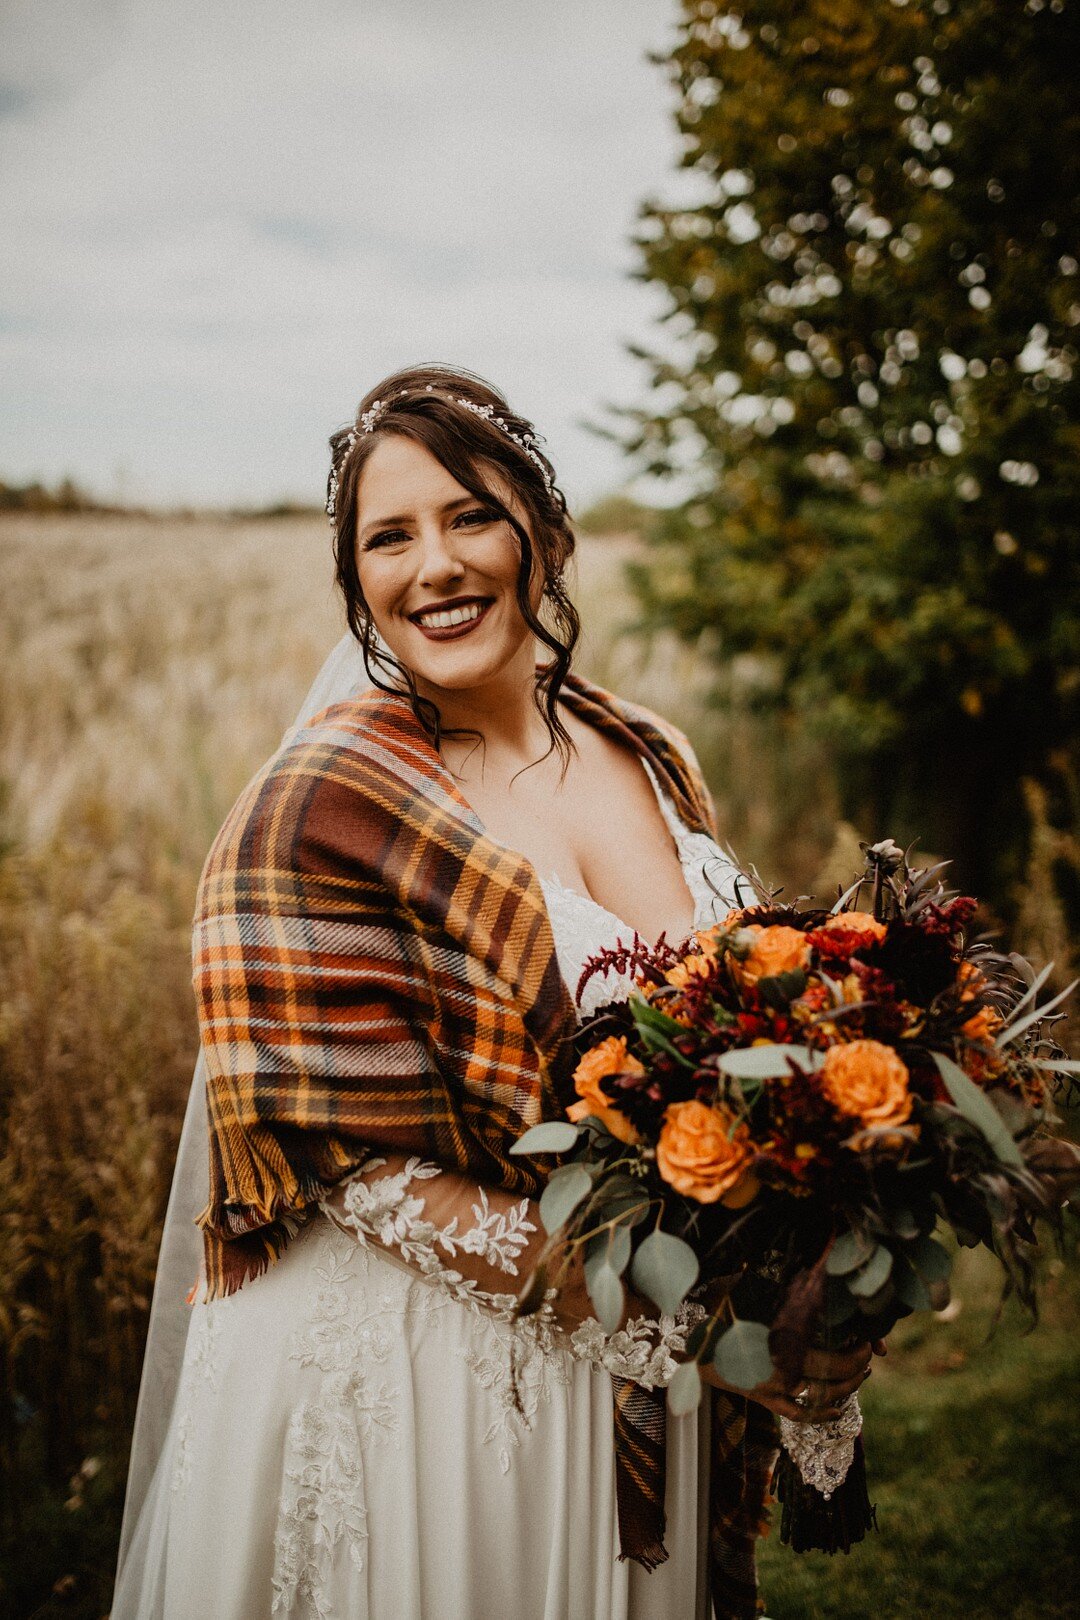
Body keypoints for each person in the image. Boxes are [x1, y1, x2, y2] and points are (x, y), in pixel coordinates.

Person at [112, 364, 874, 1620]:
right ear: (356, 579)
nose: (436, 566)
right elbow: (345, 1160)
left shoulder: (647, 749)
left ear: (543, 533)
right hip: (429, 1384)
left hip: (634, 1383)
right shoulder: (321, 806)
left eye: (470, 516)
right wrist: (670, 1316)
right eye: (389, 537)